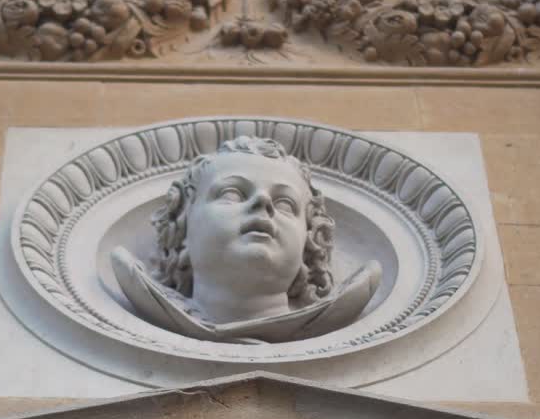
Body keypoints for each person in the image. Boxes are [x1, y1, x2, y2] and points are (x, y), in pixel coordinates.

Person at [111, 136, 381, 344]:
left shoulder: (347, 303)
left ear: (309, 243)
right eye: (233, 193)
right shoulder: (143, 292)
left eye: (285, 203)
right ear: (183, 228)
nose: (263, 201)